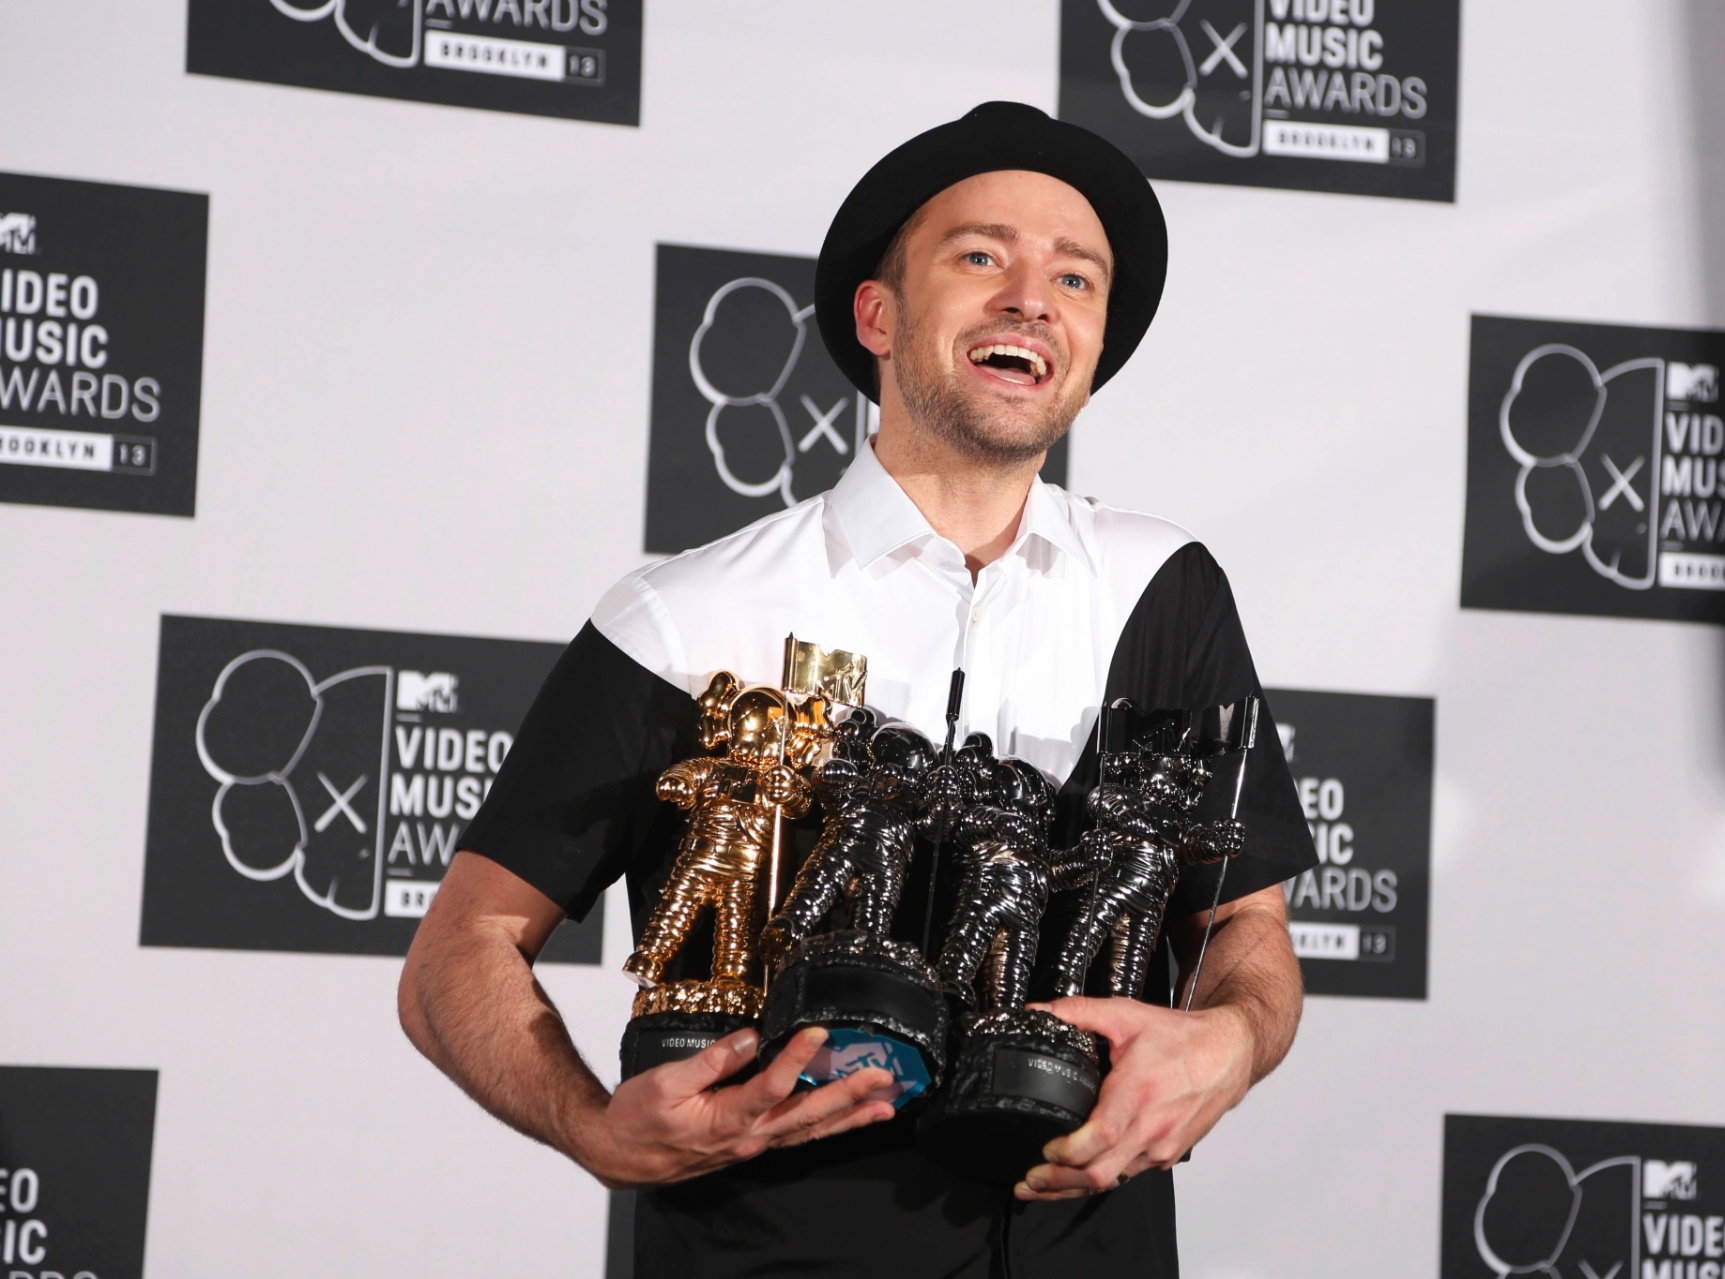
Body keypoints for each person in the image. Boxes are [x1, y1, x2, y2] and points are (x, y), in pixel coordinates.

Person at [398, 100, 1318, 1277]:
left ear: (1090, 350)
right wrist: (590, 1125)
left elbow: (1248, 924)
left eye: (1075, 279)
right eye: (981, 255)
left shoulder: (1166, 590)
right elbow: (458, 951)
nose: (1032, 298)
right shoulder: (686, 616)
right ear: (876, 316)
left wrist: (1232, 1041)